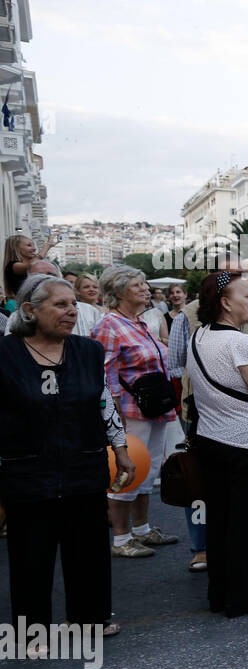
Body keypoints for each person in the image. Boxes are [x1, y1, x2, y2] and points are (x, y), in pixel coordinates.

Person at [0, 274, 131, 647]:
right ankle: (32, 632)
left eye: (73, 304)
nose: (72, 311)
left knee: (87, 549)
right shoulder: (6, 353)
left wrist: (120, 448)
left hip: (83, 465)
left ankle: (89, 619)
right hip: (27, 469)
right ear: (29, 310)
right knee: (30, 555)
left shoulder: (87, 351)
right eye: (61, 304)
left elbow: (103, 401)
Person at [188, 272, 248, 618]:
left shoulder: (200, 335)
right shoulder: (241, 343)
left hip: (213, 439)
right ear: (226, 303)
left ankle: (221, 593)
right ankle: (247, 595)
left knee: (221, 520)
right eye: (247, 295)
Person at [167, 254, 248, 573]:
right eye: (234, 273)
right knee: (201, 481)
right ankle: (202, 547)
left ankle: (247, 544)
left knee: (236, 495)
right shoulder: (188, 315)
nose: (245, 279)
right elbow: (175, 364)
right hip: (203, 410)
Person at [93, 264, 179, 558]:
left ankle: (142, 530)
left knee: (148, 469)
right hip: (129, 412)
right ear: (118, 292)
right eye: (137, 286)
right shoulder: (109, 325)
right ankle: (121, 538)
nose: (146, 289)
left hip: (153, 407)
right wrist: (114, 420)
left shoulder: (139, 322)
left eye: (145, 285)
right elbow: (103, 376)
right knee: (126, 472)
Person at [3, 233, 56, 311]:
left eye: (33, 245)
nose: (34, 249)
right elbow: (32, 264)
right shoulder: (13, 266)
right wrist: (48, 245)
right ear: (16, 248)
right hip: (22, 308)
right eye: (29, 245)